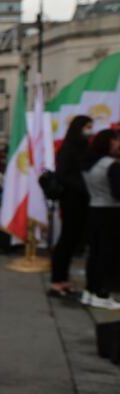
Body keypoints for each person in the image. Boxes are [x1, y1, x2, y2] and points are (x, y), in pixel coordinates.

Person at [49, 116, 92, 298]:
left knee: (73, 240)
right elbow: (63, 175)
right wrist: (84, 186)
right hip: (72, 200)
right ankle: (57, 281)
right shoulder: (68, 149)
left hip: (82, 200)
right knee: (67, 240)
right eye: (87, 127)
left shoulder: (83, 148)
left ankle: (64, 279)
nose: (90, 130)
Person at [80, 129, 120, 309]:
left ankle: (90, 291)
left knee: (95, 253)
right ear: (110, 142)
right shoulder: (111, 165)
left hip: (94, 209)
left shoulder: (90, 163)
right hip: (110, 212)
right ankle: (101, 293)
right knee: (106, 254)